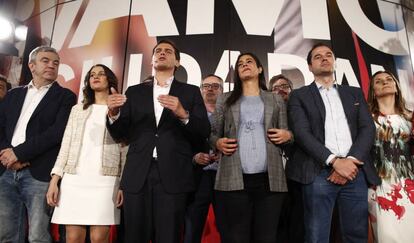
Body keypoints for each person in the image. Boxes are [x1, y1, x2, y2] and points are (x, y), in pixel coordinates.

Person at [106, 40, 210, 243]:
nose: (162, 53)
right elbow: (120, 134)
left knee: (169, 236)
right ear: (152, 60)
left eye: (168, 51)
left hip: (173, 173)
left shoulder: (190, 92)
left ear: (177, 62)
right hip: (138, 173)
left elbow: (203, 131)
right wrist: (113, 113)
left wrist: (183, 114)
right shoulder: (134, 92)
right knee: (134, 235)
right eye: (158, 51)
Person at [287, 43, 381, 242]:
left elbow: (367, 128)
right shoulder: (299, 95)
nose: (324, 58)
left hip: (355, 172)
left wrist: (351, 160)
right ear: (310, 67)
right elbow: (302, 133)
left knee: (356, 235)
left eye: (329, 54)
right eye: (318, 56)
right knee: (316, 236)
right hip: (318, 172)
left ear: (335, 62)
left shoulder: (354, 93)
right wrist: (335, 162)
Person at [210, 52, 291, 243]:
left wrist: (288, 135)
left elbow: (288, 134)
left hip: (270, 179)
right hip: (233, 178)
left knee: (267, 237)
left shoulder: (275, 99)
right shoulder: (225, 99)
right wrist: (217, 143)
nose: (245, 65)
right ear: (237, 72)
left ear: (259, 69)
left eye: (249, 62)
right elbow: (212, 133)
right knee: (237, 237)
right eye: (240, 64)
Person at [0, 46, 76, 242]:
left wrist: (19, 154)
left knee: (38, 236)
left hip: (39, 173)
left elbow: (56, 133)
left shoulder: (65, 97)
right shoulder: (13, 95)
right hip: (6, 171)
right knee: (6, 235)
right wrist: (7, 156)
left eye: (56, 62)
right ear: (31, 66)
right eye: (45, 60)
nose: (51, 65)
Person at [46, 64, 124, 243]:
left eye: (101, 74)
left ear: (109, 79)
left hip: (106, 181)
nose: (96, 77)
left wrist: (123, 184)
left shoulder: (121, 109)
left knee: (99, 238)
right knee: (73, 238)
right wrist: (55, 179)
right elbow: (66, 144)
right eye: (92, 75)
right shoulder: (77, 110)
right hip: (75, 179)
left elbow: (125, 148)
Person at [367, 70, 414, 242]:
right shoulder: (366, 119)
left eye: (389, 79)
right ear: (373, 90)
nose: (385, 82)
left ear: (396, 86)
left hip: (409, 185)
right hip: (379, 186)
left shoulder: (410, 118)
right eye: (378, 81)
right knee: (387, 236)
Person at [184, 74, 224, 243]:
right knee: (192, 229)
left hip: (224, 178)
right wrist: (193, 157)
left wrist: (225, 155)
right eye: (206, 86)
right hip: (197, 178)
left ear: (222, 91)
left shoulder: (231, 115)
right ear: (200, 90)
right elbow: (178, 145)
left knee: (229, 229)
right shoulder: (188, 116)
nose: (210, 89)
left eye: (215, 86)